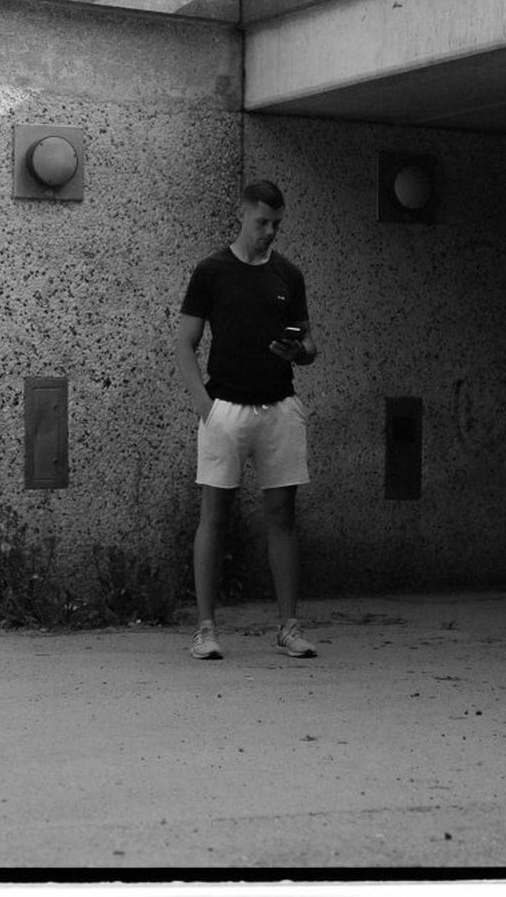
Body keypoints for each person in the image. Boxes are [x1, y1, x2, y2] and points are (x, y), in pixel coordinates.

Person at [175, 179, 319, 661]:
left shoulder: (288, 275)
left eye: (277, 224)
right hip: (226, 409)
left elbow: (310, 344)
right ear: (242, 215)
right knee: (214, 517)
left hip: (279, 406)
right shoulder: (211, 270)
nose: (270, 232)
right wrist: (205, 406)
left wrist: (298, 350)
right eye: (262, 222)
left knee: (282, 516)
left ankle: (289, 626)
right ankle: (205, 629)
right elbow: (184, 342)